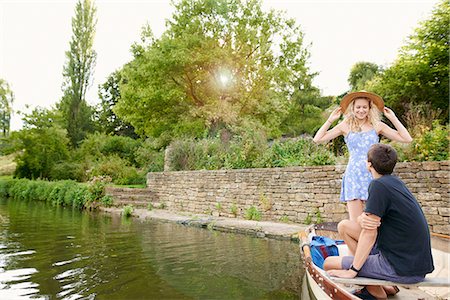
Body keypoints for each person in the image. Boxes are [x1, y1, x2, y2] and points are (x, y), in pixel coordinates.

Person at [324, 143, 434, 299]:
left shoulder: (378, 185)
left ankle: (377, 292)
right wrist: (363, 218)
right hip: (413, 264)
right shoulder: (394, 183)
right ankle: (384, 285)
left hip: (400, 267)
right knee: (344, 227)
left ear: (369, 164)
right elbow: (373, 220)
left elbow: (369, 234)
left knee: (328, 263)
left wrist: (352, 271)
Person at [313, 91, 412, 221]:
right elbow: (318, 139)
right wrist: (330, 120)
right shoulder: (345, 126)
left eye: (364, 107)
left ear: (369, 108)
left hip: (374, 175)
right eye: (358, 107)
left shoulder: (377, 126)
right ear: (352, 109)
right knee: (356, 222)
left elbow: (407, 138)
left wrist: (393, 118)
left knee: (374, 221)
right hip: (353, 176)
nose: (361, 110)